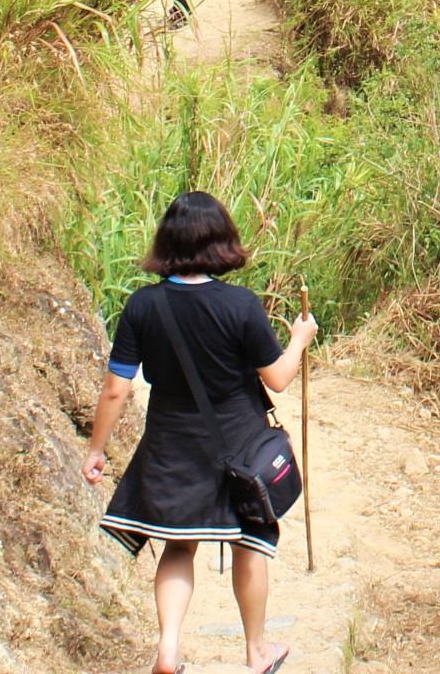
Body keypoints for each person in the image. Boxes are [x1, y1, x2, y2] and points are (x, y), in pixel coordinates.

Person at [85, 192, 318, 674]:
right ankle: (257, 653)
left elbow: (115, 390)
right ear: (222, 242)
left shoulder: (142, 305)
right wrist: (299, 339)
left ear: (167, 241)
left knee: (176, 543)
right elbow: (276, 378)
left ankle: (168, 648)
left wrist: (96, 449)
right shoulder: (239, 304)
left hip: (170, 444)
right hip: (240, 445)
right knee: (249, 545)